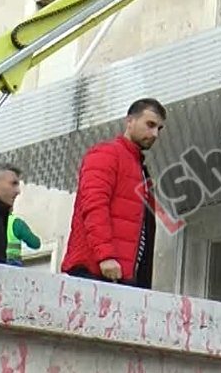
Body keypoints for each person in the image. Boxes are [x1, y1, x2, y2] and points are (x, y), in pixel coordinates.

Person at [62, 98, 166, 287]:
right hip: (98, 271)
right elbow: (94, 205)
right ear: (130, 121)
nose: (155, 134)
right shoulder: (107, 153)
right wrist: (105, 256)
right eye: (150, 124)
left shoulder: (140, 169)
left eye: (159, 128)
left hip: (123, 275)